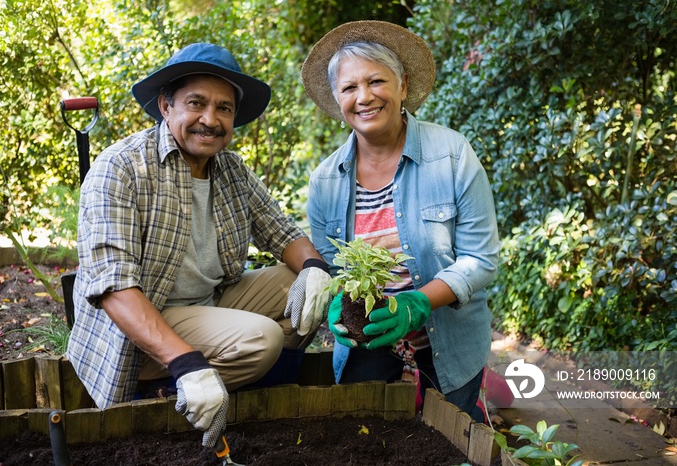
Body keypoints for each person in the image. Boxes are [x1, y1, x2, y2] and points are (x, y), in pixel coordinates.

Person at [66, 43, 331, 448]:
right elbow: (114, 289)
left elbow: (284, 234)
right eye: (197, 103)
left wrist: (315, 268)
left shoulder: (231, 170)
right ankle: (170, 390)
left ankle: (255, 404)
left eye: (224, 108)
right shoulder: (121, 168)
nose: (210, 119)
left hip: (207, 305)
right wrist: (187, 361)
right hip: (142, 323)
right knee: (262, 340)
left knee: (301, 285)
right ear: (166, 106)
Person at [301, 21, 500, 421]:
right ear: (338, 99)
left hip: (451, 340)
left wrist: (417, 303)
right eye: (350, 87)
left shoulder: (452, 155)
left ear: (403, 86)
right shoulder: (325, 181)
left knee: (454, 440)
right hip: (368, 338)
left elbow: (481, 258)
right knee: (368, 438)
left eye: (377, 81)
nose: (364, 97)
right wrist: (336, 304)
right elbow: (329, 265)